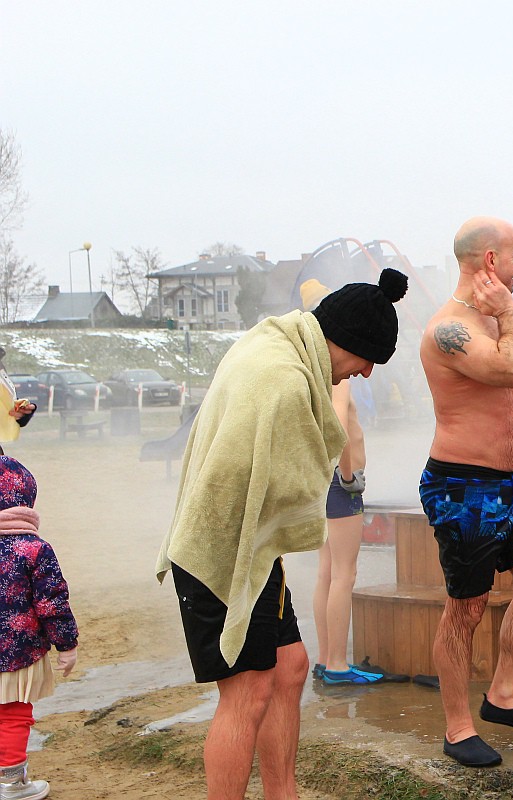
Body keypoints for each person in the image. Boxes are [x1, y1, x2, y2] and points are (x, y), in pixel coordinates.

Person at [155, 268, 408, 799]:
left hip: (249, 547)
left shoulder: (274, 339)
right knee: (246, 691)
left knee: (291, 666)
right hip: (219, 549)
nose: (363, 374)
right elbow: (294, 490)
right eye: (366, 360)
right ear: (348, 341)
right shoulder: (285, 379)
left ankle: (282, 793)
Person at [419, 216, 513, 768]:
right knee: (466, 609)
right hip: (462, 486)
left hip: (508, 484)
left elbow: (507, 376)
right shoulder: (448, 328)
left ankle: (504, 694)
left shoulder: (484, 324)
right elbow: (510, 362)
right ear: (489, 262)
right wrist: (508, 315)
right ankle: (458, 730)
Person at [298, 279, 382, 687]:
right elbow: (339, 422)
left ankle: (324, 658)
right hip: (339, 482)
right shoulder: (339, 367)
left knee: (326, 572)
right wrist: (348, 475)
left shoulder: (310, 364)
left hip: (320, 480)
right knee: (344, 574)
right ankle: (336, 665)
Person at [0, 456, 78, 800]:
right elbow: (52, 603)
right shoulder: (35, 549)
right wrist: (67, 645)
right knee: (14, 714)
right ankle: (11, 783)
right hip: (19, 652)